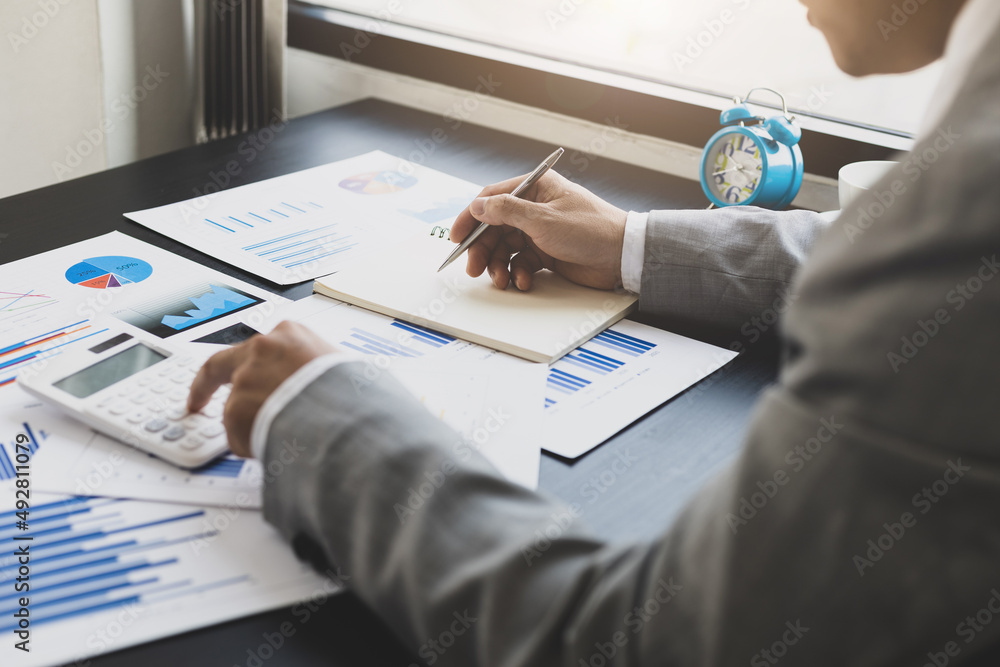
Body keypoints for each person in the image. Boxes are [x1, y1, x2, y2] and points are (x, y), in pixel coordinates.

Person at [188, 0, 1000, 663]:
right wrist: (631, 245)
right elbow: (870, 246)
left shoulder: (970, 195)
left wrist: (326, 416)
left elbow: (639, 646)